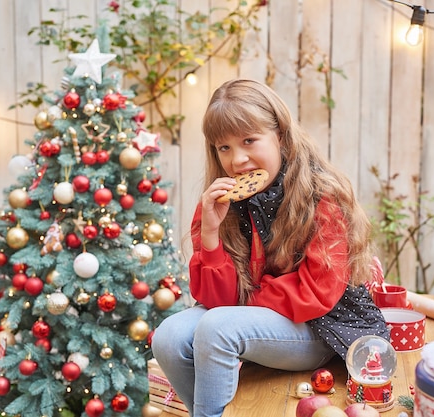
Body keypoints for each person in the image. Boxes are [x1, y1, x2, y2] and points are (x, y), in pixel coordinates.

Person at [152, 79, 389, 417]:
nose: (238, 159)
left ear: (280, 135)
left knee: (218, 327)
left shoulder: (321, 195)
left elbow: (315, 295)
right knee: (169, 336)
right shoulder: (221, 203)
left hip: (320, 325)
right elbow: (217, 300)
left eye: (250, 140)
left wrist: (246, 299)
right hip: (248, 320)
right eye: (224, 148)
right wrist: (210, 235)